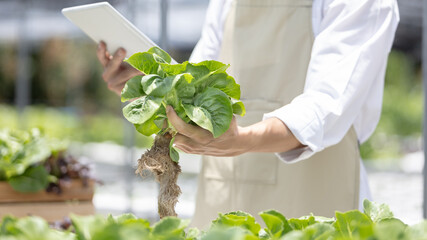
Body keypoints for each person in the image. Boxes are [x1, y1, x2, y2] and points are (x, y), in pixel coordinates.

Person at [97, 0, 399, 228]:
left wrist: (242, 139)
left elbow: (327, 104)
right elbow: (198, 81)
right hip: (225, 195)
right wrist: (150, 83)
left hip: (315, 198)